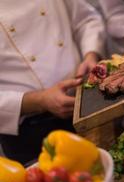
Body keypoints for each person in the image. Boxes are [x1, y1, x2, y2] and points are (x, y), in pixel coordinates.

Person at [0, 0, 106, 164]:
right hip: (32, 135)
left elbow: (87, 20)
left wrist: (90, 56)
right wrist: (40, 99)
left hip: (88, 103)